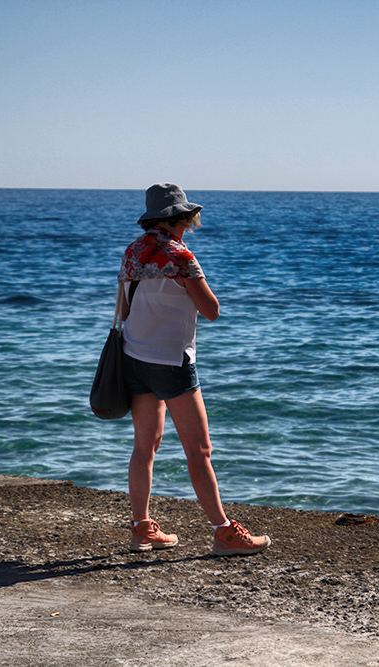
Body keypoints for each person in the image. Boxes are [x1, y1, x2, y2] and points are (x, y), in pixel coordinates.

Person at [117, 183, 270, 556]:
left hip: (134, 357)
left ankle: (142, 529)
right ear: (182, 217)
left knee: (144, 446)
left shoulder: (133, 251)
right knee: (199, 450)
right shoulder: (181, 256)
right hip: (171, 362)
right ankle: (224, 533)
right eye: (188, 216)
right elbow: (212, 310)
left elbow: (123, 310)